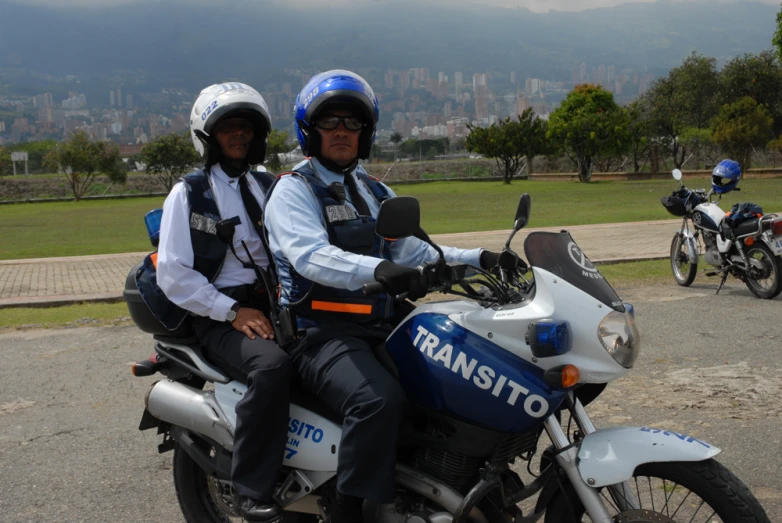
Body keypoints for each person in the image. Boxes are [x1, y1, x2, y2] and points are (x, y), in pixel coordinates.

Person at [264, 70, 504, 523]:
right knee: (377, 401)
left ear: (366, 133)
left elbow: (416, 250)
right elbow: (311, 257)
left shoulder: (374, 191)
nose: (341, 131)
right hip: (321, 334)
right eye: (329, 122)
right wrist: (380, 269)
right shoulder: (292, 191)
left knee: (463, 376)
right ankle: (349, 511)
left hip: (382, 324)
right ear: (309, 132)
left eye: (352, 124)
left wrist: (482, 258)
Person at [155, 82, 288, 522]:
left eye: (246, 128)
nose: (239, 135)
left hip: (273, 302)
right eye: (228, 127)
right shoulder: (190, 194)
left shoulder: (269, 186)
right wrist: (230, 311)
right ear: (208, 137)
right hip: (218, 312)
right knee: (270, 367)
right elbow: (173, 272)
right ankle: (251, 488)